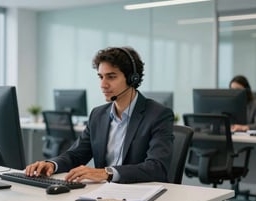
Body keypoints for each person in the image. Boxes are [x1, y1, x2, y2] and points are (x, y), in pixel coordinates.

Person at [25, 46, 174, 184]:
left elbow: (157, 168)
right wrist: (52, 164)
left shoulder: (158, 115)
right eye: (100, 77)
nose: (103, 85)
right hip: (102, 194)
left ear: (132, 79)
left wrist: (107, 173)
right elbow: (76, 154)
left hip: (140, 195)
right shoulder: (98, 114)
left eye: (111, 77)